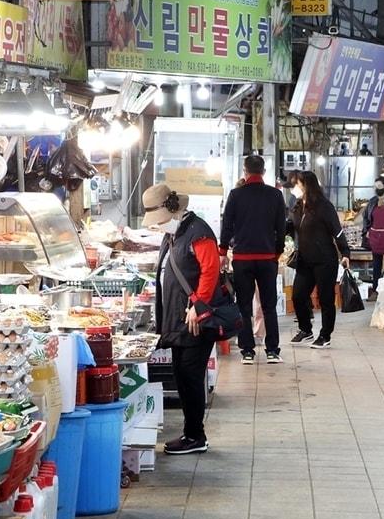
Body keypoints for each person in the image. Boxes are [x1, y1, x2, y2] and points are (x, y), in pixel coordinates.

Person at [145, 182, 222, 455]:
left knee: (190, 375)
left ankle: (195, 436)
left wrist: (198, 306)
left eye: (159, 219)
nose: (157, 225)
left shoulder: (199, 233)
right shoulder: (176, 234)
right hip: (179, 319)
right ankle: (192, 434)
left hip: (195, 320)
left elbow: (211, 271)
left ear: (173, 211)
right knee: (182, 374)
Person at [219, 155, 287, 365]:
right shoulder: (275, 195)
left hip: (242, 259)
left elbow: (227, 225)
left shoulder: (235, 195)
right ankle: (272, 350)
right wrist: (277, 251)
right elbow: (281, 228)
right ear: (263, 172)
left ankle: (247, 351)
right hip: (267, 259)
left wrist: (222, 252)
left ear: (245, 171)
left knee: (244, 306)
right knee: (268, 306)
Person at [287, 171, 351, 349]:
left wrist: (345, 252)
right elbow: (292, 226)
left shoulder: (324, 206)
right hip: (305, 260)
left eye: (297, 185)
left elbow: (337, 231)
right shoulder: (299, 206)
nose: (295, 189)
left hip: (325, 259)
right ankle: (306, 329)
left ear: (306, 185)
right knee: (298, 296)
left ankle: (325, 334)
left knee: (326, 299)